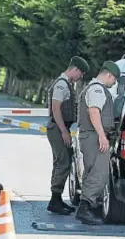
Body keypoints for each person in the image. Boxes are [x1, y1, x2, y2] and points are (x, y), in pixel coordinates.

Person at [75, 60, 120, 225]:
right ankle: (84, 209)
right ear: (108, 74)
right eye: (114, 79)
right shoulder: (97, 89)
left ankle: (87, 207)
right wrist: (102, 136)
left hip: (90, 136)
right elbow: (94, 112)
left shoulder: (93, 87)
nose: (114, 83)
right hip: (94, 136)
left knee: (91, 172)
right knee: (99, 174)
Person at [46, 56, 90, 215]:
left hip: (60, 127)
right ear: (75, 70)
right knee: (62, 162)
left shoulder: (66, 84)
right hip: (58, 128)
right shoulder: (61, 85)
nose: (81, 77)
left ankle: (56, 199)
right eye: (81, 73)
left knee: (63, 161)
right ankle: (54, 200)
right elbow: (56, 108)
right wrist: (64, 131)